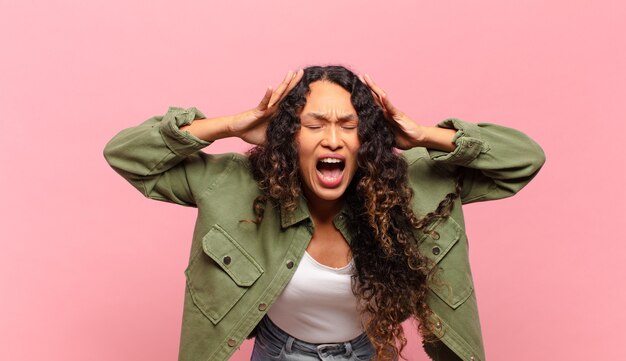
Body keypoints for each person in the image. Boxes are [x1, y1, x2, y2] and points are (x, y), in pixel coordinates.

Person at [104, 65, 545, 361]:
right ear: (289, 136)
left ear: (365, 139)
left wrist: (425, 134)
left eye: (348, 126)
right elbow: (125, 154)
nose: (332, 139)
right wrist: (231, 124)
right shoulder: (235, 185)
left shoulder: (408, 185)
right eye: (314, 125)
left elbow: (523, 159)